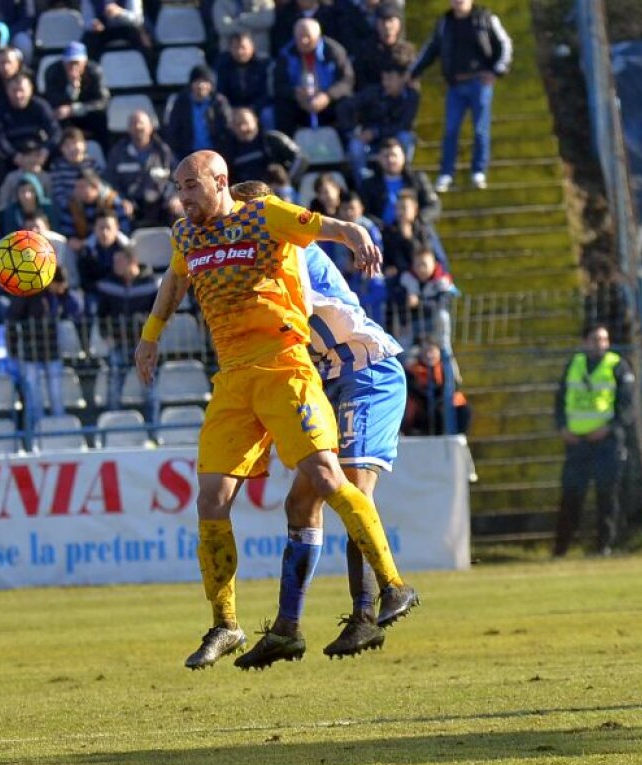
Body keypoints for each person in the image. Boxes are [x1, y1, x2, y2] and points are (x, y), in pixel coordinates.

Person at [133, 150, 418, 669]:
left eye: (191, 185)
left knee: (338, 479)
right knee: (256, 502)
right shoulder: (191, 236)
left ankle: (380, 599)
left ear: (223, 185)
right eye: (179, 187)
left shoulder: (273, 229)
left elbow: (320, 229)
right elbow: (176, 279)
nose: (183, 196)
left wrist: (353, 234)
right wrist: (151, 334)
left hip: (346, 369)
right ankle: (256, 627)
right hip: (253, 377)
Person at [227, 178, 410, 663]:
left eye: (241, 218)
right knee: (299, 503)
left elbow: (291, 314)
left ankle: (370, 613)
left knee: (351, 490)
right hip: (332, 378)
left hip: (368, 371)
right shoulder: (263, 256)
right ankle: (288, 629)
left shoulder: (290, 251)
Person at [411, 0, 512, 192]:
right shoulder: (445, 22)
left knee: (480, 129)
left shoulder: (485, 18)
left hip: (479, 83)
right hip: (455, 84)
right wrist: (412, 73)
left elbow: (504, 45)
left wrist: (496, 71)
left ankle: (478, 171)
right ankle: (446, 173)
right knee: (450, 130)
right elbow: (431, 49)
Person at [553, 324, 635, 557]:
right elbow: (560, 400)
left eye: (604, 339)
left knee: (607, 494)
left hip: (607, 443)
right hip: (576, 443)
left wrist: (609, 428)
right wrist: (562, 427)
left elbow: (626, 407)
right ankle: (561, 549)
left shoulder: (617, 366)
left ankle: (604, 547)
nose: (601, 344)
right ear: (585, 342)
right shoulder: (574, 364)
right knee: (571, 495)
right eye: (596, 339)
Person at [6, 267, 81, 442]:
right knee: (34, 399)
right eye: (59, 285)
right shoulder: (28, 292)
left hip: (52, 352)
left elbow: (76, 310)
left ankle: (60, 436)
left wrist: (65, 293)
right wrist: (14, 350)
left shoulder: (58, 296)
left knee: (56, 397)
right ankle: (37, 437)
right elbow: (12, 319)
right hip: (30, 354)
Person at [97, 244, 160, 423]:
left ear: (132, 261)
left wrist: (152, 337)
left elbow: (161, 314)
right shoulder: (107, 284)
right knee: (114, 390)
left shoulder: (151, 283)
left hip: (145, 346)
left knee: (150, 390)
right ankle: (111, 429)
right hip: (119, 344)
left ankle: (153, 432)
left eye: (119, 260)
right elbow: (101, 314)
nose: (115, 264)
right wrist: (106, 336)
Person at [272, 18, 355, 137]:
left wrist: (327, 96)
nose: (303, 41)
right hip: (299, 101)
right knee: (281, 108)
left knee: (345, 105)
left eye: (308, 37)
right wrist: (295, 93)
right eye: (299, 37)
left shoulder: (334, 52)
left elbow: (347, 80)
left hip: (329, 101)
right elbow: (279, 84)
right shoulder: (286, 53)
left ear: (318, 37)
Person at [105, 109, 177, 228]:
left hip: (161, 205)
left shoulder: (163, 151)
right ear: (128, 129)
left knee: (180, 213)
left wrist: (175, 198)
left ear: (151, 127)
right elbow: (110, 182)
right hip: (131, 205)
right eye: (133, 123)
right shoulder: (118, 153)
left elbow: (176, 178)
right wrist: (122, 200)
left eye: (141, 123)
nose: (138, 126)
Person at [42, 41, 110, 144]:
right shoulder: (53, 72)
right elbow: (52, 98)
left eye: (77, 63)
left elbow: (103, 101)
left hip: (87, 113)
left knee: (100, 118)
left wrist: (74, 109)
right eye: (70, 64)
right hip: (63, 115)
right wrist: (71, 90)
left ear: (84, 62)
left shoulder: (94, 72)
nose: (73, 68)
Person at [402, 336, 471, 436]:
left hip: (443, 404)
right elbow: (411, 389)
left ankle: (457, 434)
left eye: (432, 351)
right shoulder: (412, 370)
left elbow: (453, 386)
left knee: (464, 409)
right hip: (421, 405)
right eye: (425, 352)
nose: (429, 355)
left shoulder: (446, 368)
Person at [165, 65, 233, 159]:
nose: (201, 85)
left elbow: (227, 128)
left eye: (205, 81)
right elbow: (174, 130)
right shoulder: (182, 103)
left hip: (214, 154)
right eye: (197, 81)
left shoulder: (219, 103)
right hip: (189, 155)